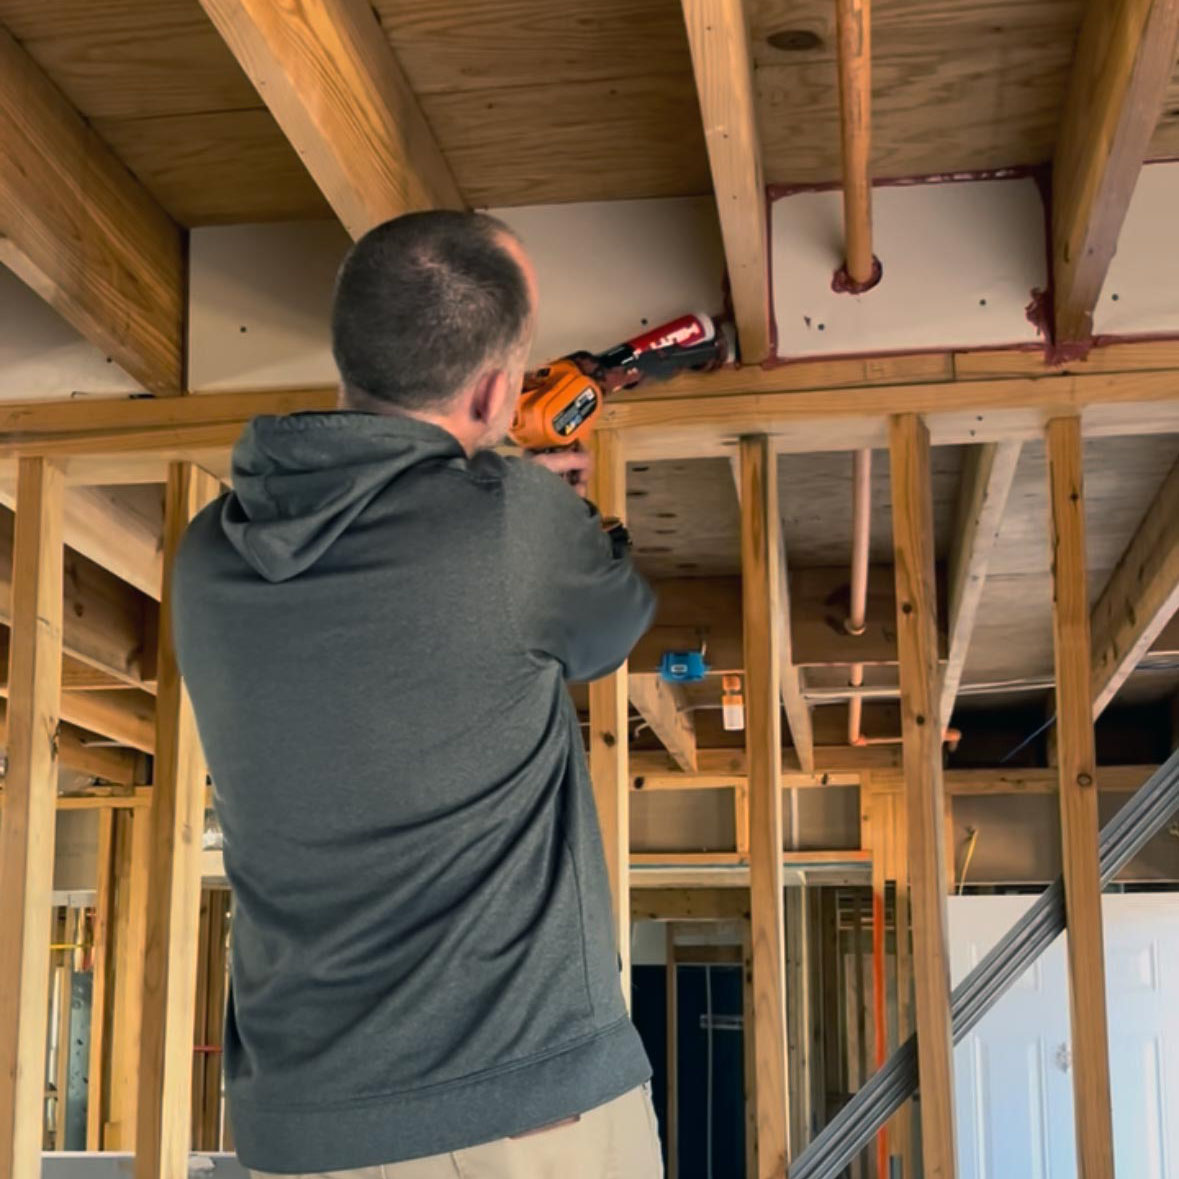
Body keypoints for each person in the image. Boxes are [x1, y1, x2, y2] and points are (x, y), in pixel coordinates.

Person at [172, 211, 662, 1178]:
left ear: (349, 351)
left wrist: (503, 504)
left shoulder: (208, 548)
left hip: (305, 1122)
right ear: (494, 388)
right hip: (514, 1115)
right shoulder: (514, 523)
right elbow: (611, 627)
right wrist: (555, 515)